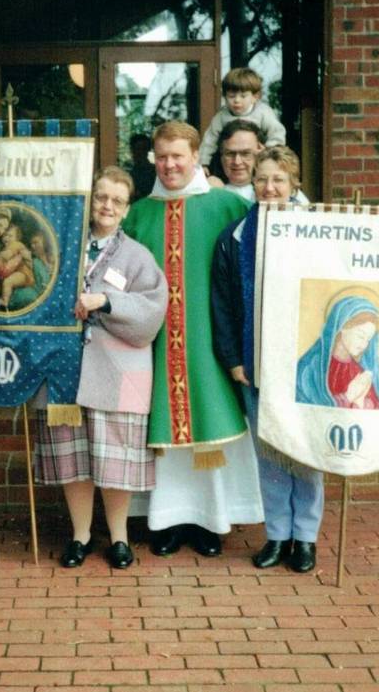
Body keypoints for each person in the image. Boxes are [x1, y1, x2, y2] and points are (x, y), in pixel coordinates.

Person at [122, 121, 263, 558]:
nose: (169, 165)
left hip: (208, 347)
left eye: (177, 156)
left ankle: (209, 522)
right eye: (161, 157)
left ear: (195, 157)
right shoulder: (138, 213)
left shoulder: (227, 206)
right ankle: (164, 522)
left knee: (209, 434)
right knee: (160, 435)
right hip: (156, 345)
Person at [35, 166, 168, 570]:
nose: (107, 206)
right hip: (64, 369)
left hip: (116, 370)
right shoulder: (62, 245)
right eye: (100, 197)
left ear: (127, 210)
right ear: (89, 200)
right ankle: (80, 535)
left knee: (115, 459)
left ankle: (120, 537)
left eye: (116, 200)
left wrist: (105, 302)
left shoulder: (136, 255)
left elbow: (153, 310)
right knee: (72, 455)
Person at [211, 146, 323, 573]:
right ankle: (277, 534)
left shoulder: (319, 232)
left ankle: (306, 538)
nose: (269, 187)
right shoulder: (235, 237)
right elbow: (222, 303)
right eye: (261, 179)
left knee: (304, 450)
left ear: (294, 184)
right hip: (255, 361)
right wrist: (234, 358)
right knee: (270, 453)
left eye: (278, 179)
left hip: (304, 363)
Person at [296, 296, 379, 409]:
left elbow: (376, 411)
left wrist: (361, 402)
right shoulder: (310, 367)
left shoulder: (360, 374)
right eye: (360, 336)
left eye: (368, 340)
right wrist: (347, 397)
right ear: (342, 326)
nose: (364, 345)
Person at [198, 67, 286, 167]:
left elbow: (277, 133)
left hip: (258, 160)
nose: (237, 100)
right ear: (225, 97)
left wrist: (267, 151)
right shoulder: (221, 116)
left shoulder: (263, 112)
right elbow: (209, 140)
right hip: (232, 162)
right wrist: (204, 163)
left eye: (243, 96)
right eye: (231, 96)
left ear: (255, 97)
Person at [127, 133, 156, 201]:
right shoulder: (127, 171)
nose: (140, 152)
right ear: (132, 150)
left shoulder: (155, 172)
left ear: (148, 150)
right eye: (137, 149)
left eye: (143, 149)